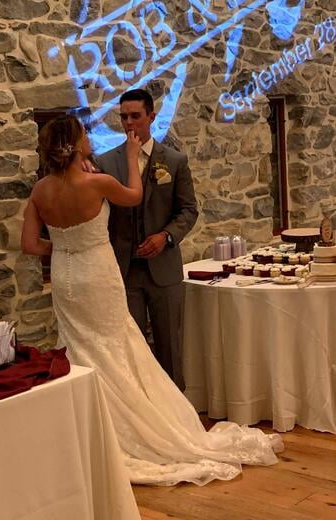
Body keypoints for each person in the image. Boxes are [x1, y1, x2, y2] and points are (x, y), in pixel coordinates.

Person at [21, 114, 283, 487]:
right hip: (97, 272)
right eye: (85, 136)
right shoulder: (97, 181)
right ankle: (135, 425)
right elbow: (134, 196)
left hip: (66, 276)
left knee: (79, 347)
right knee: (116, 344)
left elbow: (29, 245)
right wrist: (130, 156)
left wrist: (65, 246)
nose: (89, 140)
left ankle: (86, 428)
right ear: (76, 144)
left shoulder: (40, 191)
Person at [96, 89, 198, 391]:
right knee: (133, 350)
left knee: (170, 347)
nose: (129, 123)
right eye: (124, 117)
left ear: (151, 117)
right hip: (125, 271)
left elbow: (188, 210)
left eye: (135, 116)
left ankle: (180, 418)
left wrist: (166, 236)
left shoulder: (175, 161)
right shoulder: (106, 163)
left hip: (163, 270)